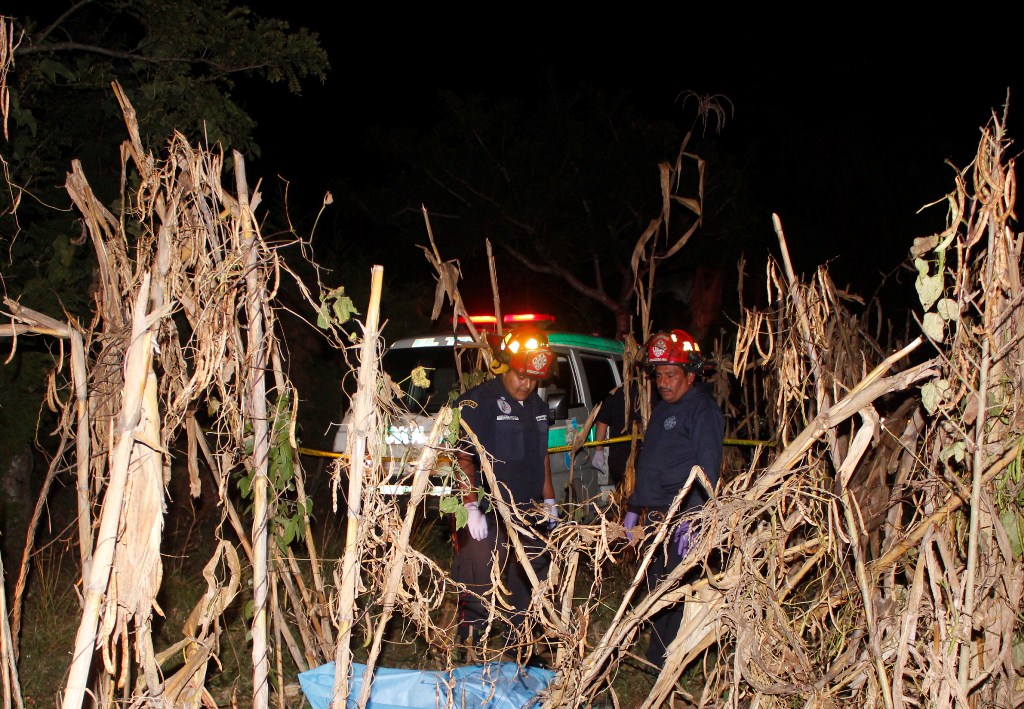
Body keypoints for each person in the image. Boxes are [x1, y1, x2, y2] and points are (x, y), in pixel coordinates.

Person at [451, 325, 558, 652]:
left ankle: (520, 649)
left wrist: (550, 501)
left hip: (528, 510)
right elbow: (462, 458)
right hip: (488, 513)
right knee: (479, 580)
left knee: (529, 580)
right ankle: (472, 650)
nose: (526, 384)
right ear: (506, 366)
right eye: (520, 375)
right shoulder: (478, 402)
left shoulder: (539, 408)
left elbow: (542, 458)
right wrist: (471, 506)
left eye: (533, 378)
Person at [623, 329, 724, 666]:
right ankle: (659, 654)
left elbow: (707, 470)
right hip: (655, 516)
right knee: (657, 587)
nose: (662, 382)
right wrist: (634, 509)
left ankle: (667, 661)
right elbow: (651, 462)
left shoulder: (701, 410)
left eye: (670, 375)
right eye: (658, 375)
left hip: (681, 518)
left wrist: (696, 518)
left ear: (690, 375)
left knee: (676, 588)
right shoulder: (664, 409)